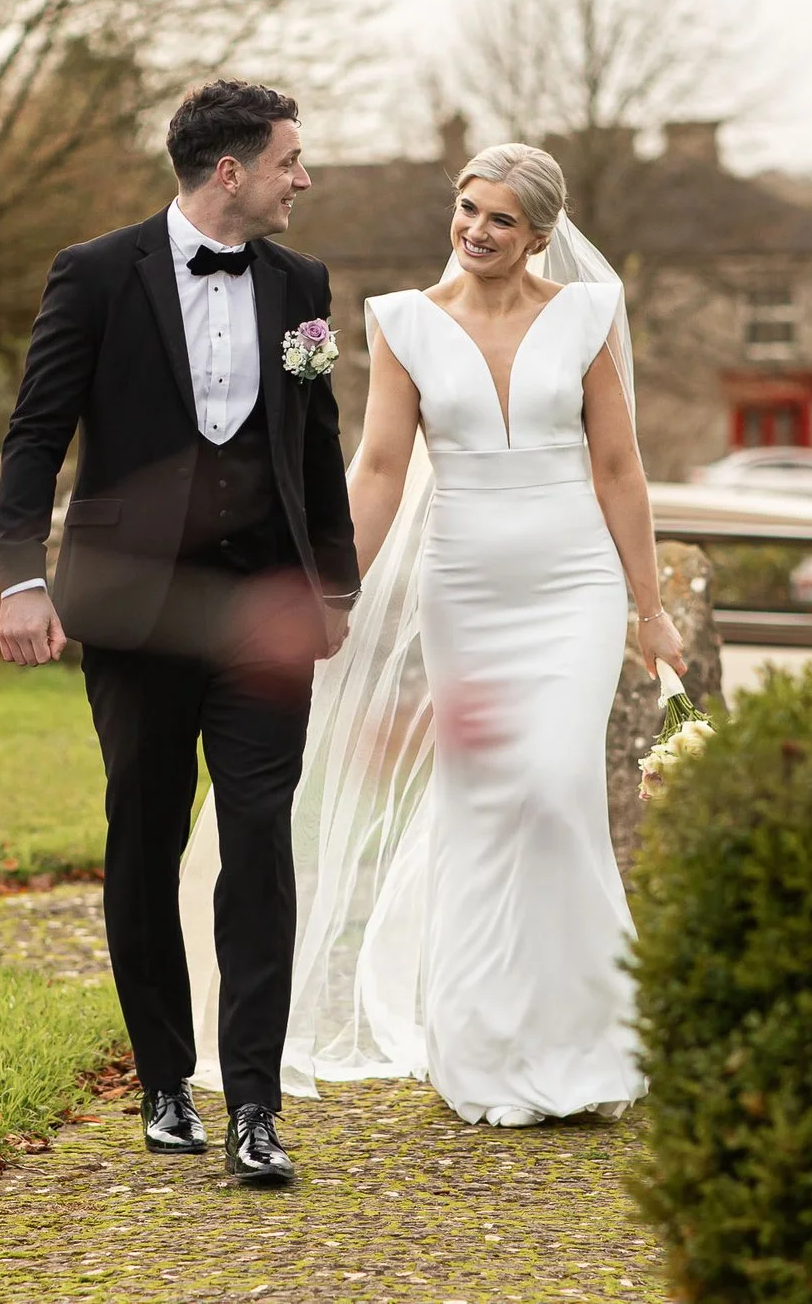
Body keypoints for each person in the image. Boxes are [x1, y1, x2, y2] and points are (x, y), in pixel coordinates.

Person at [181, 140, 676, 1126]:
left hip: (572, 583)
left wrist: (648, 602)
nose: (475, 230)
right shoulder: (404, 322)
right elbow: (376, 469)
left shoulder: (587, 313)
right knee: (487, 799)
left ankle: (589, 1038)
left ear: (539, 233)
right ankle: (484, 1045)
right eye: (466, 207)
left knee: (553, 788)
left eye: (499, 217)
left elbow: (620, 468)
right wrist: (335, 589)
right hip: (468, 588)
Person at [0, 79, 359, 1186]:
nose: (307, 179)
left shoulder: (302, 283)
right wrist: (19, 579)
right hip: (133, 609)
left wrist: (331, 586)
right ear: (232, 171)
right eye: (292, 159)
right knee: (145, 837)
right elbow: (33, 436)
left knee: (258, 841)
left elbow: (314, 440)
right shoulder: (96, 272)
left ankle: (254, 1101)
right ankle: (163, 1076)